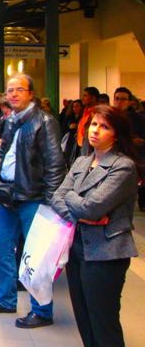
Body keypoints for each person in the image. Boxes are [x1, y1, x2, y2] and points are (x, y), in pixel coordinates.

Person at [0, 73, 67, 329]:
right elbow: (3, 152)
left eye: (19, 89)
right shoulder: (11, 122)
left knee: (35, 257)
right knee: (2, 250)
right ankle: (5, 299)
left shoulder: (45, 122)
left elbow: (54, 165)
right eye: (10, 90)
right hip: (9, 197)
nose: (13, 94)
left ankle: (41, 311)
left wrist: (51, 204)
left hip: (34, 199)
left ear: (31, 93)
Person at [51, 105, 142, 347]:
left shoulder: (123, 167)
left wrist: (75, 202)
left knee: (103, 322)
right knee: (83, 318)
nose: (96, 131)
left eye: (104, 126)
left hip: (106, 254)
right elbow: (56, 197)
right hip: (77, 248)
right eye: (93, 124)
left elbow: (92, 207)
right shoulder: (82, 161)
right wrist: (80, 211)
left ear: (116, 133)